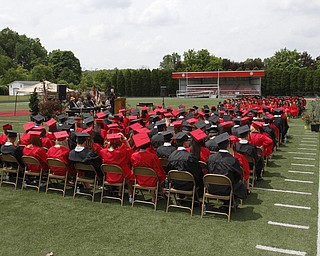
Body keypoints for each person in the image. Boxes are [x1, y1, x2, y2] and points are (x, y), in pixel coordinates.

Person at [206, 133, 247, 203]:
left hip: (211, 188)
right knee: (240, 184)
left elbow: (208, 170)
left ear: (218, 145)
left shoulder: (210, 158)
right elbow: (237, 176)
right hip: (227, 190)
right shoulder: (233, 160)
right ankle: (232, 201)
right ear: (228, 145)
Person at [131, 132, 166, 201]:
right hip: (152, 181)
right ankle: (154, 197)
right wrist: (162, 178)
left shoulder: (134, 156)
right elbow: (158, 170)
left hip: (139, 180)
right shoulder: (152, 156)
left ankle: (154, 196)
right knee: (156, 175)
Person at [100, 133, 134, 198]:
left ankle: (120, 192)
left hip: (109, 177)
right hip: (121, 177)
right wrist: (125, 139)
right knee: (129, 174)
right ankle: (130, 193)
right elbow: (130, 151)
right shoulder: (121, 152)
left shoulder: (103, 152)